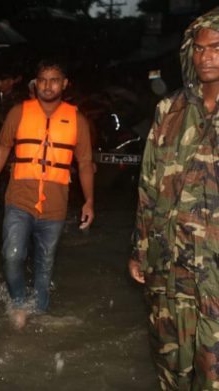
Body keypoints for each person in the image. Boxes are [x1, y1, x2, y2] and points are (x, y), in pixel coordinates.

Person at [129, 8, 219, 389]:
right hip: (169, 266)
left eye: (216, 47)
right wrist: (139, 248)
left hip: (215, 272)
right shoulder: (170, 109)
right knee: (171, 366)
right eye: (198, 49)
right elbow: (148, 186)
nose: (206, 57)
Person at [0, 59, 94, 330]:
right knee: (12, 255)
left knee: (45, 266)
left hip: (55, 206)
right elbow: (1, 151)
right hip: (19, 199)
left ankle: (40, 321)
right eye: (42, 79)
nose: (47, 85)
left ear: (64, 84)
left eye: (54, 80)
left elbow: (86, 164)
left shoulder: (77, 120)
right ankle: (19, 303)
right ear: (35, 83)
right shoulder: (18, 112)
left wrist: (90, 200)